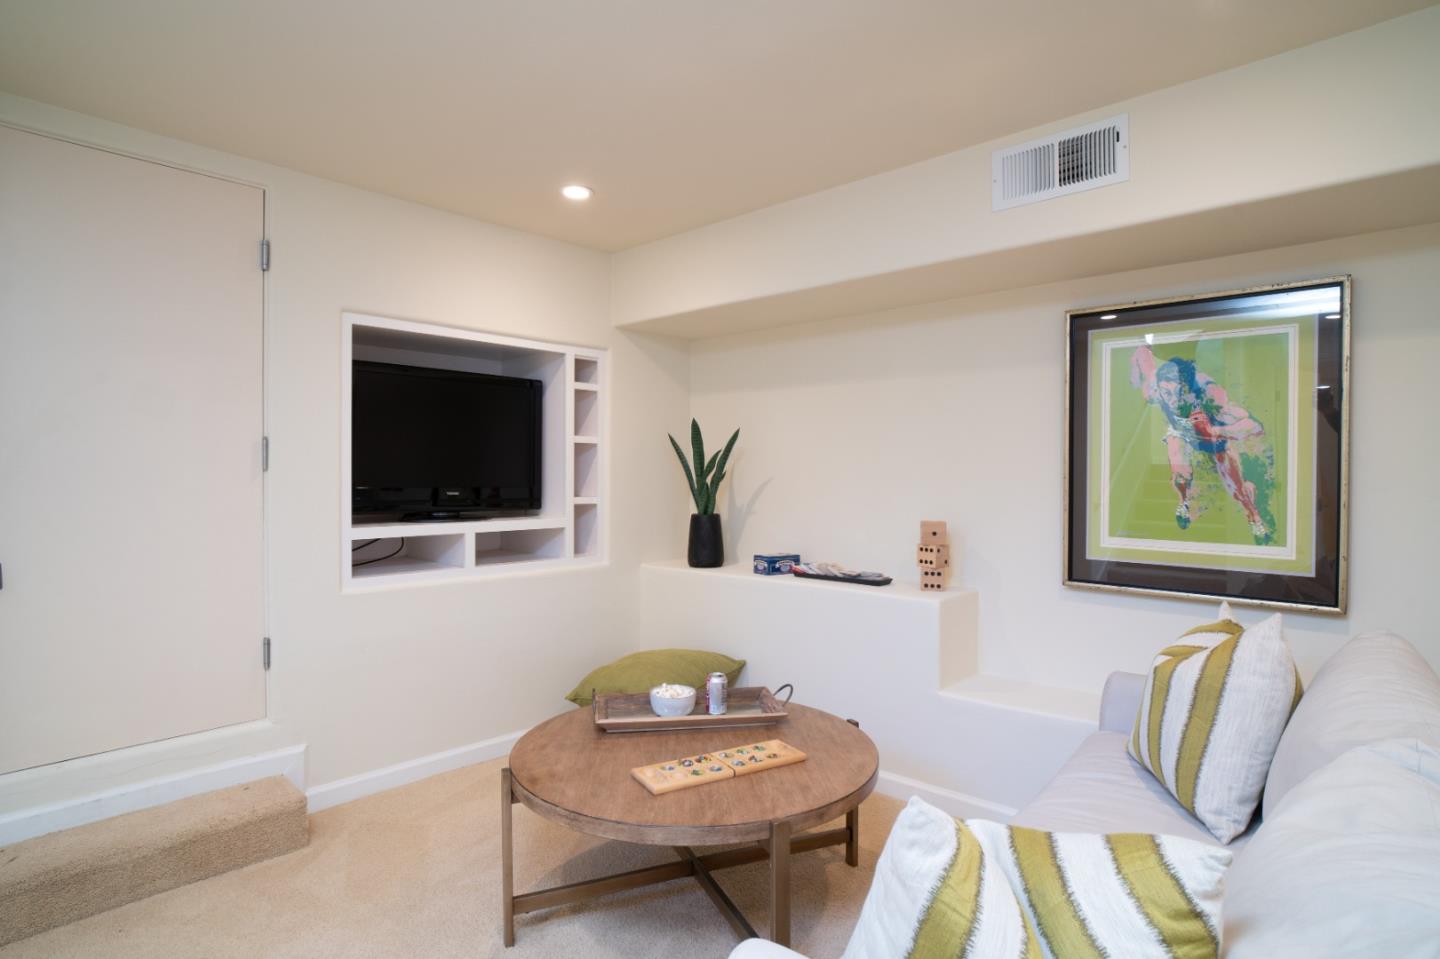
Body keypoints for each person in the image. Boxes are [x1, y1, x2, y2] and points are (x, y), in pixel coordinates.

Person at [1130, 344, 1271, 544]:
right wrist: (1136, 366)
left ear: (1187, 389)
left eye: (1177, 394)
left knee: (1239, 492)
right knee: (1180, 471)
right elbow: (1142, 356)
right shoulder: (1154, 386)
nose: (1171, 401)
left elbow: (1255, 426)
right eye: (1166, 393)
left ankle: (1254, 516)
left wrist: (1217, 431)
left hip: (1214, 438)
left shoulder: (1211, 396)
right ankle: (1184, 502)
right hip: (1181, 432)